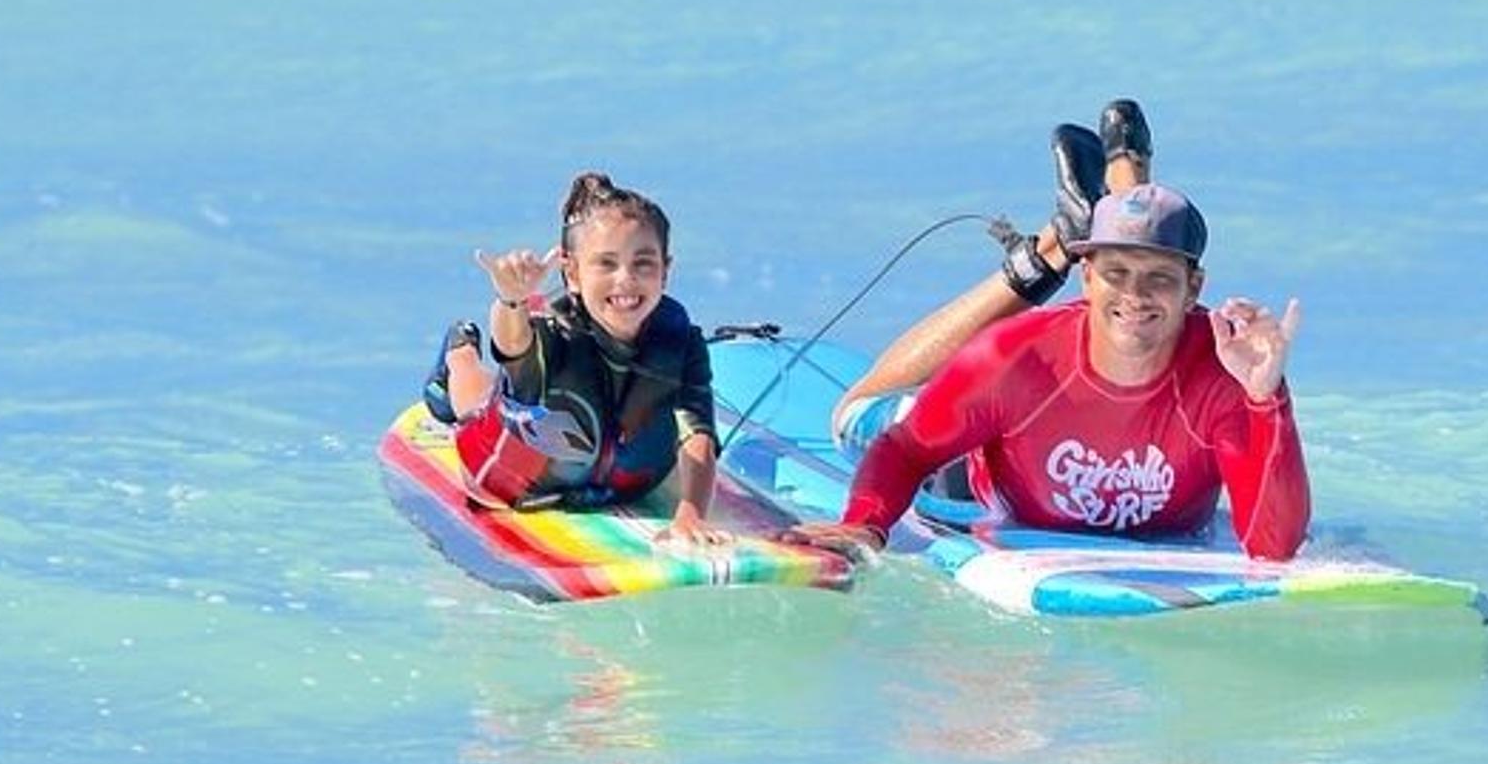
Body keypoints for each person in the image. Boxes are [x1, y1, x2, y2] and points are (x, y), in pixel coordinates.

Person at [789, 101, 1310, 561]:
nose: (1135, 294)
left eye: (1160, 279)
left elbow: (1272, 547)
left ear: (1194, 288)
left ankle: (1111, 212)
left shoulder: (1226, 375)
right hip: (979, 484)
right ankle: (1059, 244)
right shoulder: (1019, 357)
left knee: (1133, 256)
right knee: (851, 417)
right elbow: (904, 450)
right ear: (1086, 278)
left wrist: (1267, 398)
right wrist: (865, 526)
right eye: (1114, 274)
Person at [421, 170, 729, 542]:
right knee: (476, 405)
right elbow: (512, 343)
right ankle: (459, 351)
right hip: (510, 478)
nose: (626, 279)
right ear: (573, 274)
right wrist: (512, 301)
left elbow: (697, 433)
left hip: (612, 486)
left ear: (666, 271)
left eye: (643, 262)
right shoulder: (554, 333)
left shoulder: (682, 342)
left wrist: (690, 513)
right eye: (606, 263)